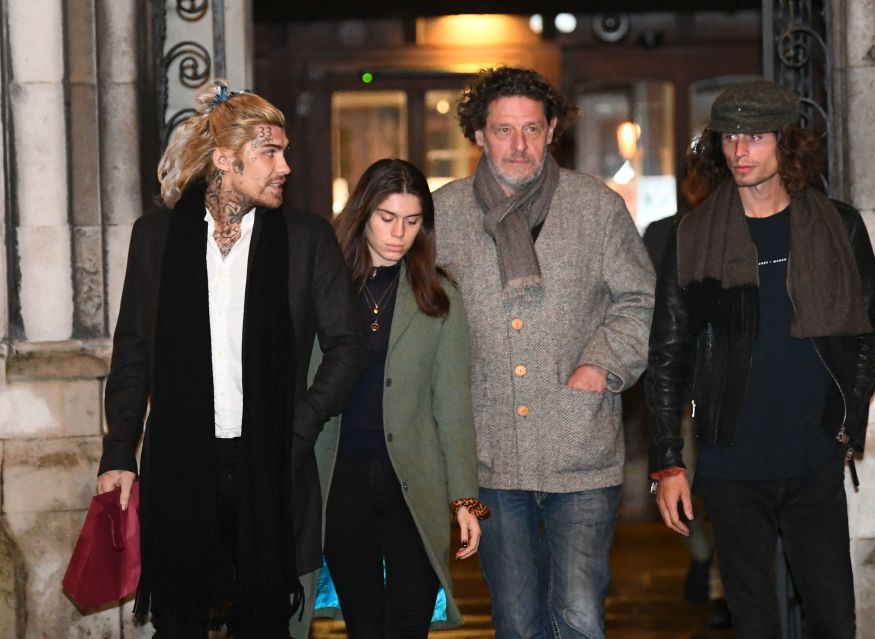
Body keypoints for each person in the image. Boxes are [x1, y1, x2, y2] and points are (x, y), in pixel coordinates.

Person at [95, 80, 368, 638]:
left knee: (265, 618)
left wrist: (301, 424)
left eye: (284, 152)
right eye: (270, 153)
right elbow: (132, 354)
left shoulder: (305, 238)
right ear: (224, 159)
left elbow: (348, 345)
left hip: (271, 461)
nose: (284, 166)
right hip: (180, 461)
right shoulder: (157, 238)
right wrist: (118, 452)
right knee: (179, 617)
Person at [645, 79, 875, 638]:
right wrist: (668, 462)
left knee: (833, 619)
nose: (740, 151)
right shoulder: (691, 237)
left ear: (786, 142)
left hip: (814, 456)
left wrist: (845, 425)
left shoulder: (839, 227)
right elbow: (668, 356)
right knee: (754, 623)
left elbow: (865, 334)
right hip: (732, 462)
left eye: (754, 137)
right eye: (729, 137)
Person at [433, 66, 656, 638]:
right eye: (504, 130)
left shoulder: (595, 207)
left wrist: (600, 364)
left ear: (552, 129)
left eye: (531, 129)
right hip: (490, 456)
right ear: (478, 135)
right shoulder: (443, 215)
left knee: (580, 613)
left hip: (580, 451)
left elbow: (638, 298)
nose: (518, 145)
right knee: (515, 619)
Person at [291, 158, 486, 639]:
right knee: (364, 624)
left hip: (413, 484)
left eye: (413, 221)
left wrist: (466, 500)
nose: (400, 233)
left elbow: (453, 404)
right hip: (339, 481)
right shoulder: (323, 287)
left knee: (409, 622)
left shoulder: (438, 297)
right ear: (362, 214)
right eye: (387, 218)